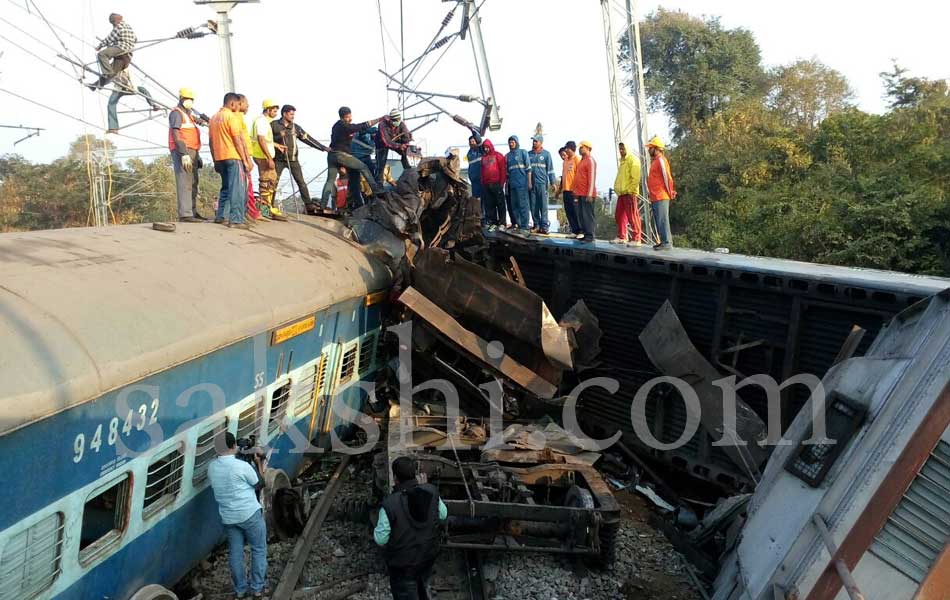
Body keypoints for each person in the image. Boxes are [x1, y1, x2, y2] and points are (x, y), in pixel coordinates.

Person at [374, 457, 447, 600]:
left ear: (395, 478)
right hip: (427, 558)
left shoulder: (390, 504)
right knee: (423, 589)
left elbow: (380, 539)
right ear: (416, 474)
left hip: (403, 568)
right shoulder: (432, 491)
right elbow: (443, 515)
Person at [208, 432, 268, 600]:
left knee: (235, 553)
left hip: (229, 518)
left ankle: (240, 590)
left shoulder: (212, 467)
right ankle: (257, 588)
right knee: (258, 549)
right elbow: (260, 484)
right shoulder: (241, 466)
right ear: (233, 446)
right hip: (250, 515)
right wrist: (257, 463)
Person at [320, 106, 384, 208]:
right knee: (363, 167)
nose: (350, 119)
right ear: (343, 117)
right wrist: (379, 119)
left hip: (332, 155)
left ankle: (323, 205)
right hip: (341, 155)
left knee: (332, 180)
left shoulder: (336, 126)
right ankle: (377, 190)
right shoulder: (344, 126)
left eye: (350, 116)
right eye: (348, 117)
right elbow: (360, 127)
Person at [270, 105, 328, 215]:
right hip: (278, 159)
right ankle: (269, 204)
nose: (293, 117)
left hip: (293, 159)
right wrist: (278, 137)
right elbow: (267, 140)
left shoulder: (296, 127)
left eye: (293, 114)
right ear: (284, 114)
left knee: (301, 182)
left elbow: (308, 139)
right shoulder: (274, 125)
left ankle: (308, 205)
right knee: (274, 182)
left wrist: (322, 147)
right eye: (291, 114)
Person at [209, 92, 253, 228]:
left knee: (226, 187)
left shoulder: (213, 118)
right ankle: (236, 219)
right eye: (238, 104)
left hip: (219, 157)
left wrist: (214, 159)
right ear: (232, 104)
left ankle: (221, 216)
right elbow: (238, 140)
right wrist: (245, 160)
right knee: (237, 189)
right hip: (233, 156)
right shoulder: (231, 117)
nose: (238, 107)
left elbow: (210, 141)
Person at [168, 87, 206, 223]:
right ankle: (185, 214)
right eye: (187, 99)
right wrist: (183, 153)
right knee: (185, 181)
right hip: (182, 151)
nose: (189, 101)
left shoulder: (188, 114)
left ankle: (192, 211)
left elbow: (193, 132)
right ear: (181, 99)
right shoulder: (176, 113)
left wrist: (197, 155)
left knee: (194, 181)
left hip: (193, 150)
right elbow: (176, 134)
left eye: (191, 99)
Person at [251, 99, 288, 221]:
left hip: (264, 154)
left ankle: (268, 207)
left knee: (271, 179)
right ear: (268, 110)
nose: (276, 113)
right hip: (262, 156)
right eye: (274, 110)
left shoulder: (265, 122)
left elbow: (267, 140)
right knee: (266, 182)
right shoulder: (261, 122)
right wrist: (268, 157)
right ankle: (265, 210)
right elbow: (261, 140)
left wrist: (277, 146)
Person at [88, 13, 136, 89]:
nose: (113, 25)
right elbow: (135, 39)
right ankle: (95, 85)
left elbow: (109, 38)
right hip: (126, 57)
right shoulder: (128, 27)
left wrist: (99, 46)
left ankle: (107, 74)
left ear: (116, 20)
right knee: (112, 73)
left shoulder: (119, 27)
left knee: (101, 54)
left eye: (112, 22)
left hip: (121, 49)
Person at [106, 67, 160, 134]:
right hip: (118, 88)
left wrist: (132, 88)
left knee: (143, 89)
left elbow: (132, 80)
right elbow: (107, 78)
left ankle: (153, 104)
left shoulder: (127, 70)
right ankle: (113, 127)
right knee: (111, 104)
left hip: (130, 86)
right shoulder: (113, 68)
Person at [646, 136, 676, 250]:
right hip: (655, 196)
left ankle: (667, 243)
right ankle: (663, 241)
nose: (649, 150)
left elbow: (667, 177)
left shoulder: (661, 160)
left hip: (661, 195)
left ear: (657, 148)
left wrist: (670, 191)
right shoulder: (655, 161)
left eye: (651, 148)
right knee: (659, 219)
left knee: (663, 219)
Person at [612, 141, 643, 245]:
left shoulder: (633, 160)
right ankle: (622, 236)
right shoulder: (623, 161)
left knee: (633, 216)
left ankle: (637, 238)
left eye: (623, 149)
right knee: (619, 215)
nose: (621, 151)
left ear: (627, 149)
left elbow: (635, 178)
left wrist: (631, 190)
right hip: (622, 193)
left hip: (630, 193)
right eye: (620, 149)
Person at [527, 134, 556, 234]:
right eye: (533, 141)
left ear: (540, 142)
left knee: (543, 206)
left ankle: (544, 226)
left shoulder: (546, 154)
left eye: (536, 141)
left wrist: (553, 182)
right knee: (533, 205)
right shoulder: (528, 154)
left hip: (542, 184)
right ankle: (537, 225)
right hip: (532, 184)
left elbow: (550, 170)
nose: (534, 142)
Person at [375, 109, 412, 179]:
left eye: (399, 120)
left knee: (405, 153)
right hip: (382, 144)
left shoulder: (401, 124)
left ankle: (409, 173)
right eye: (395, 120)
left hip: (395, 142)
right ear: (390, 119)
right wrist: (399, 146)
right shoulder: (382, 124)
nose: (397, 122)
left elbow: (406, 136)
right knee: (381, 164)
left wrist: (406, 144)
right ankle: (379, 184)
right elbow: (386, 141)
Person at [478, 139, 507, 230]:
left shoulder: (498, 155)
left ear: (490, 146)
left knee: (500, 203)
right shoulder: (483, 158)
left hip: (496, 184)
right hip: (487, 185)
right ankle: (493, 222)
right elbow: (482, 171)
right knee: (490, 204)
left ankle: (502, 222)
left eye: (487, 147)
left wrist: (502, 183)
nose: (486, 149)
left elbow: (503, 169)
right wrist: (483, 183)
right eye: (484, 147)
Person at [505, 135, 531, 231]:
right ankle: (519, 225)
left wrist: (529, 183)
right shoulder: (507, 156)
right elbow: (507, 173)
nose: (511, 144)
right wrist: (507, 186)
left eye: (513, 142)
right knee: (514, 206)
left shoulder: (523, 152)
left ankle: (525, 226)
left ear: (516, 142)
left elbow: (528, 169)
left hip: (522, 184)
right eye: (510, 142)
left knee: (523, 205)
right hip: (512, 185)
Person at [573, 141, 597, 243]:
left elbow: (592, 178)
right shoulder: (582, 161)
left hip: (587, 194)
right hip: (580, 193)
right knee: (582, 215)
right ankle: (585, 234)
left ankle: (590, 236)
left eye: (582, 147)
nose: (580, 149)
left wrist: (590, 193)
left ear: (588, 149)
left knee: (588, 215)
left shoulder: (590, 160)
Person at [559, 141, 582, 235]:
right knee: (569, 212)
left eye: (567, 148)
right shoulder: (565, 161)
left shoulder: (577, 159)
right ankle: (575, 230)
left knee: (576, 211)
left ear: (571, 149)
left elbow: (579, 175)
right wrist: (559, 190)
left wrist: (578, 190)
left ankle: (581, 230)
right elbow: (563, 176)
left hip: (574, 190)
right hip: (566, 190)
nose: (566, 150)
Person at [465, 131, 485, 224]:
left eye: (473, 141)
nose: (471, 143)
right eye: (470, 142)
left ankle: (485, 217)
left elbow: (480, 140)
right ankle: (478, 217)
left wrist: (472, 130)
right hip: (474, 181)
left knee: (484, 198)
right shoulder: (469, 153)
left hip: (482, 179)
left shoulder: (480, 150)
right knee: (476, 200)